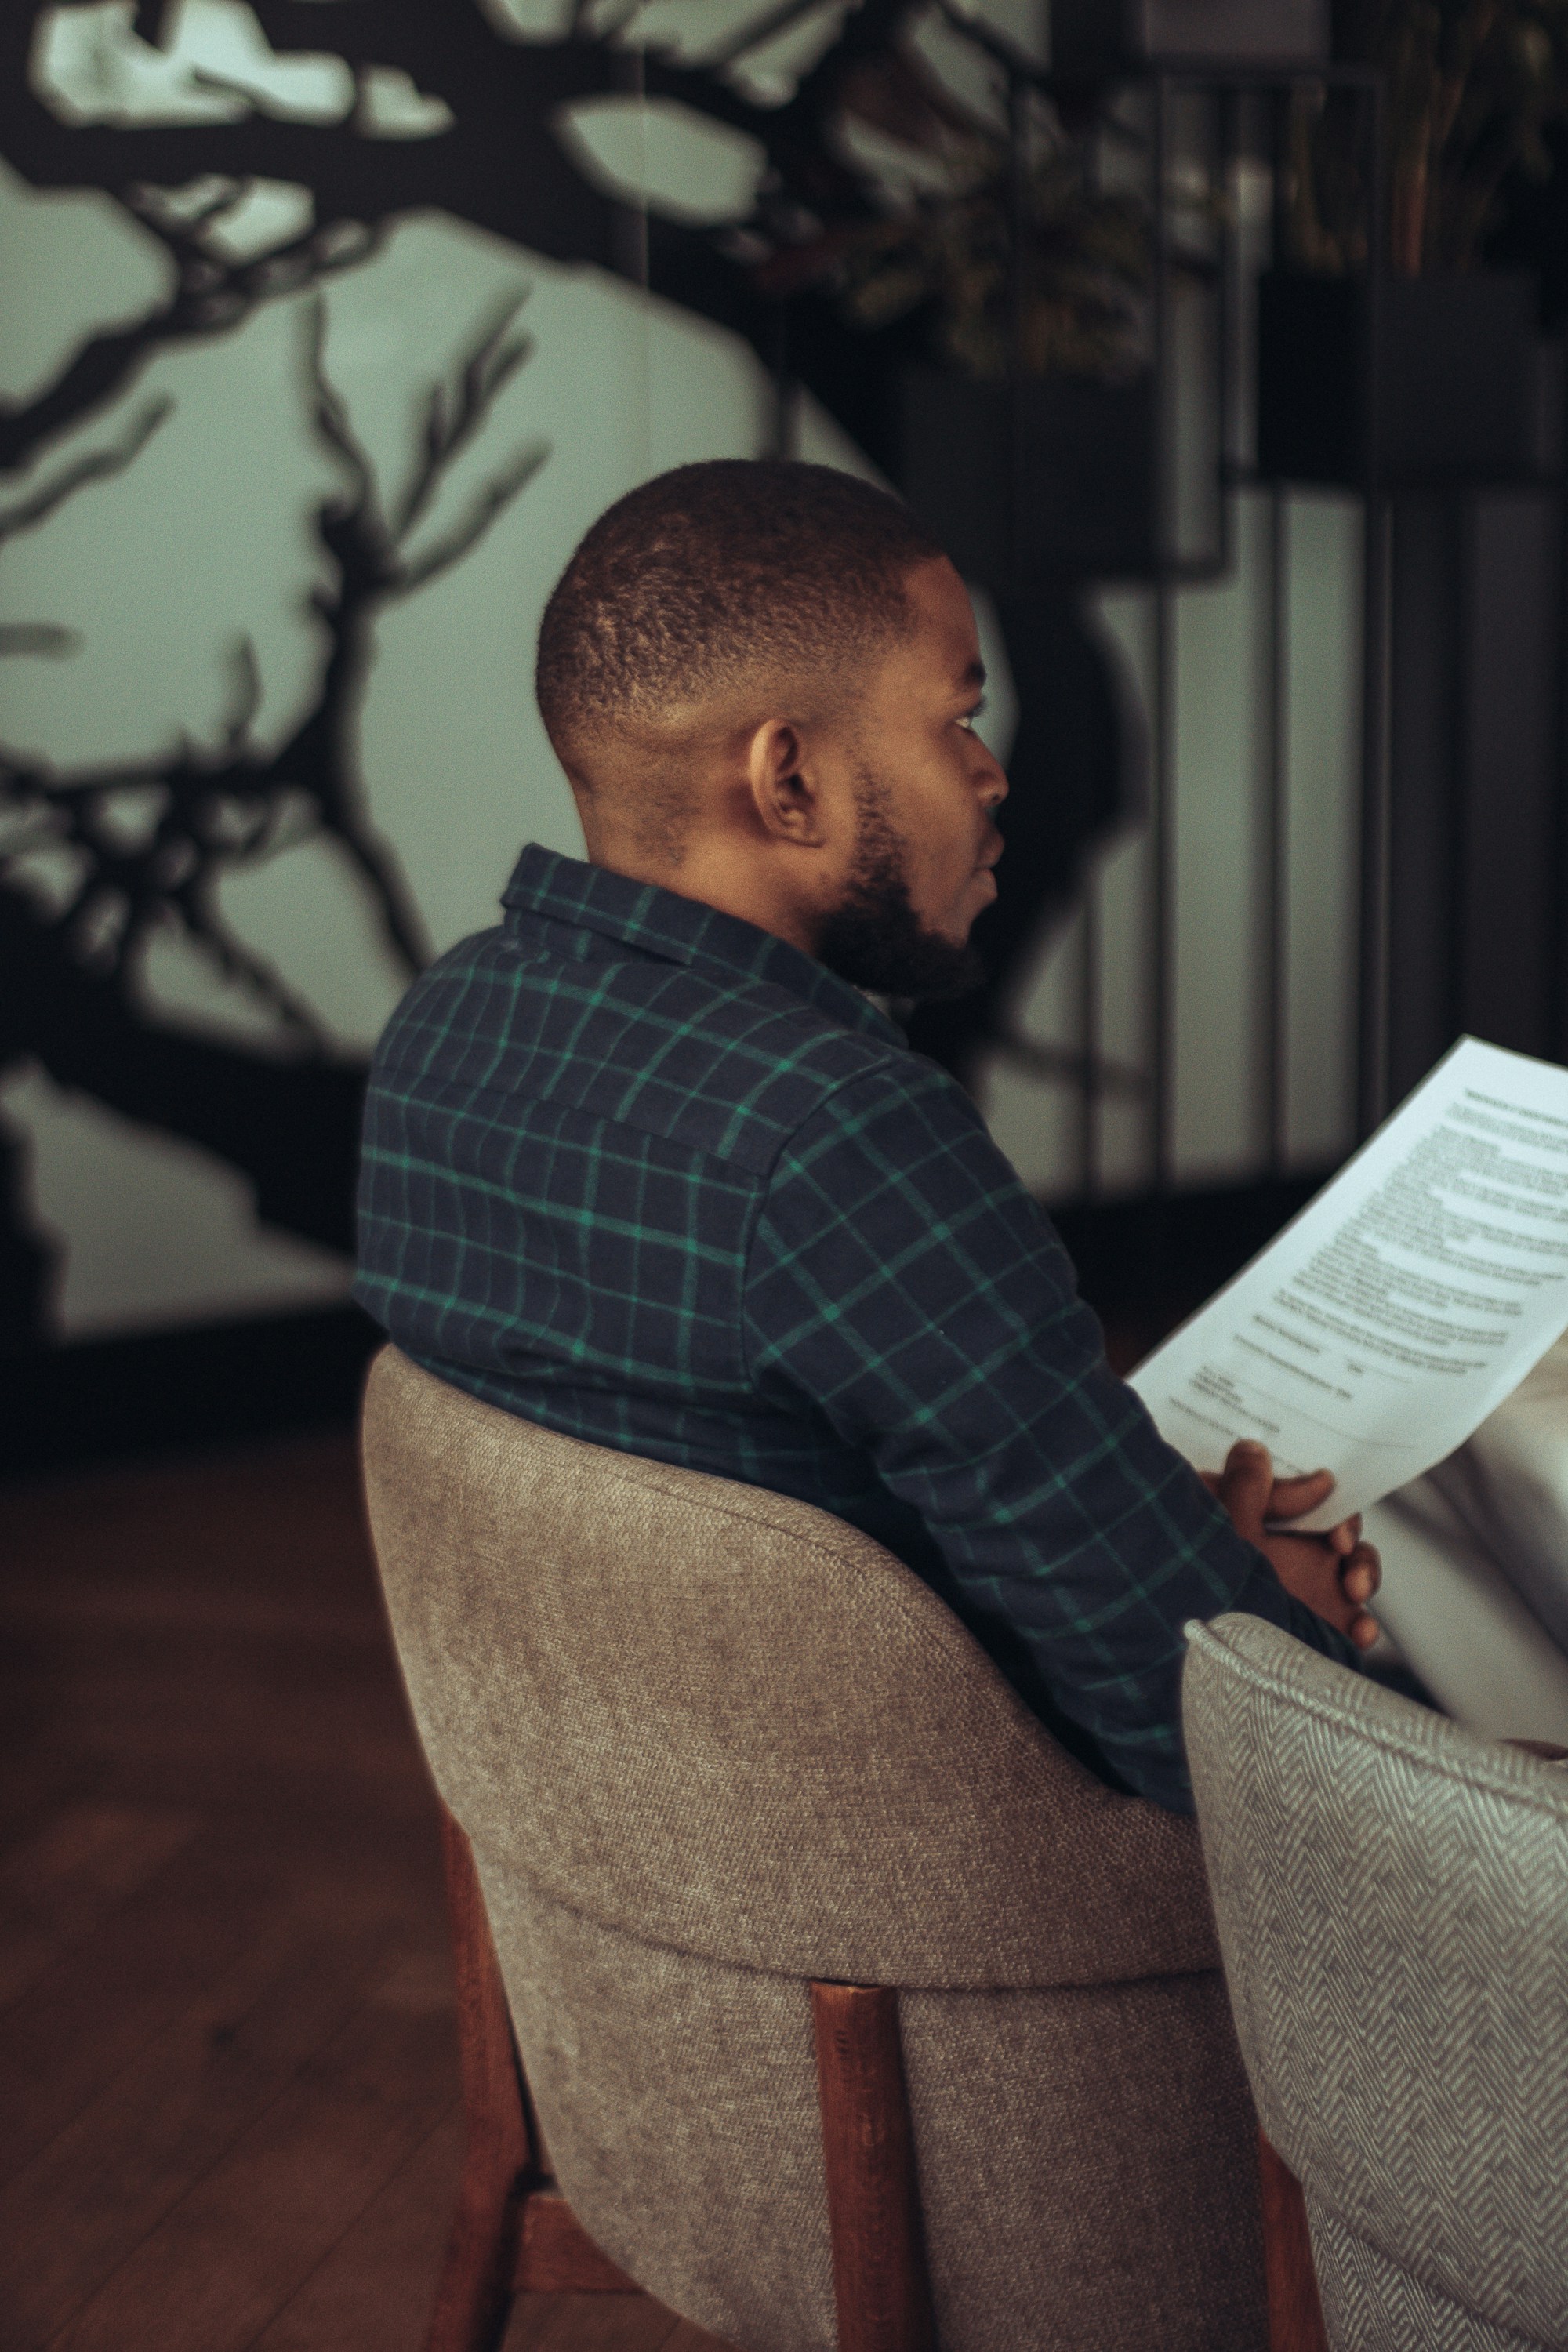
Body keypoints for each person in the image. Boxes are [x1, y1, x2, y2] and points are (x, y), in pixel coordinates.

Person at [354, 458, 1379, 1812]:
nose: (991, 770)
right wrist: (1265, 1626)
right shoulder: (839, 1139)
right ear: (789, 779)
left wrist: (1169, 1552)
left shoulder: (446, 1032)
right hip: (954, 1913)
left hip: (628, 1846)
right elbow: (1222, 1738)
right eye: (959, 716)